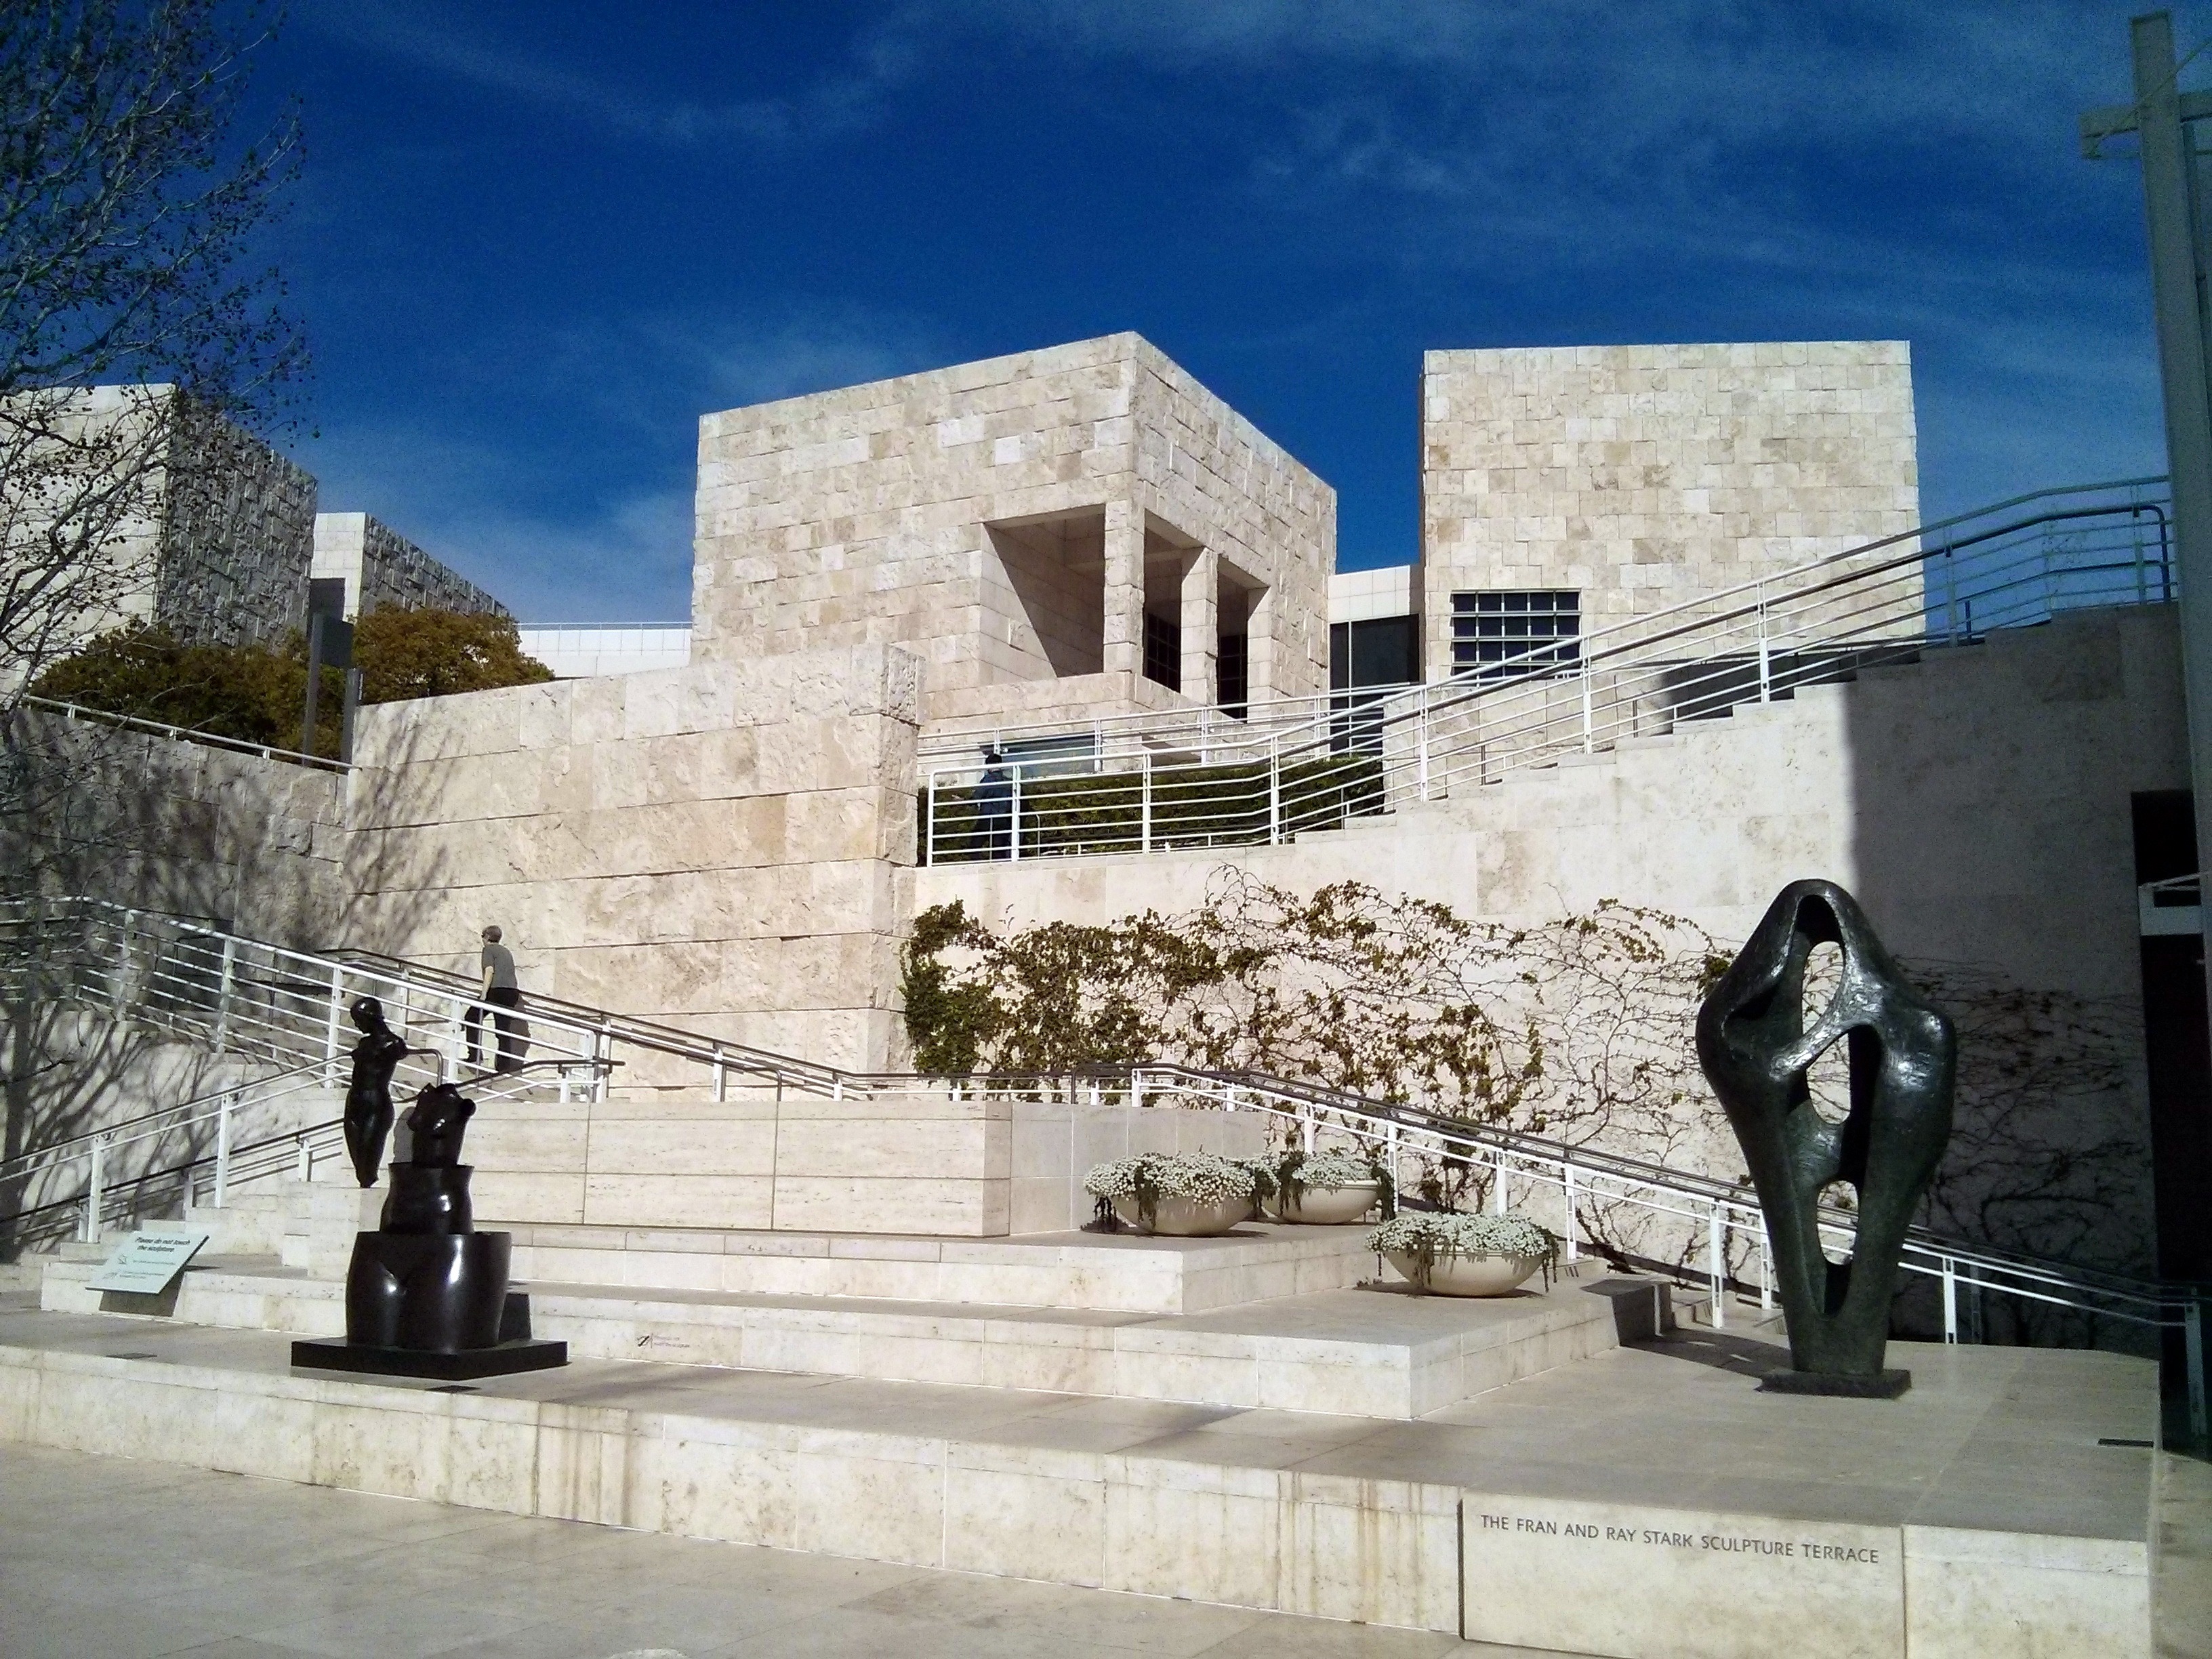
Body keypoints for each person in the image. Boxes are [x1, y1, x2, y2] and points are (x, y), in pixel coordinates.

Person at [464, 924, 524, 1073]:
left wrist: (483, 994)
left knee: (471, 1017)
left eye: (483, 936)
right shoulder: (506, 951)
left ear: (487, 937)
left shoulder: (488, 950)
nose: (482, 940)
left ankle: (474, 1055)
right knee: (503, 1029)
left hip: (496, 991)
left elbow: (489, 971)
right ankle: (503, 1066)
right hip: (512, 992)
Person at [975, 747, 1013, 860]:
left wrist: (963, 800)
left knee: (975, 844)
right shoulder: (1008, 781)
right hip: (1003, 818)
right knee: (999, 848)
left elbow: (978, 795)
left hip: (988, 817)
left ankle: (978, 865)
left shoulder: (988, 780)